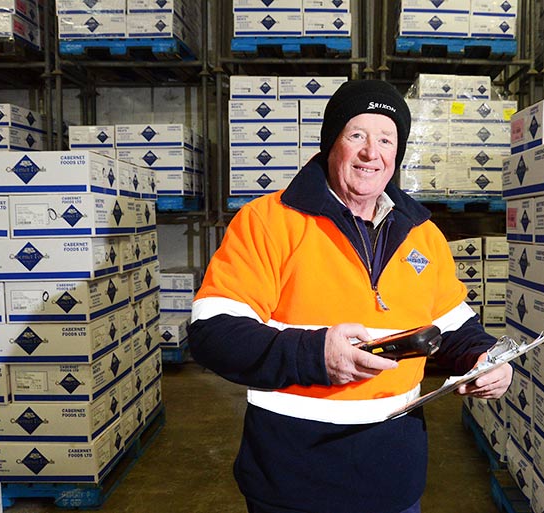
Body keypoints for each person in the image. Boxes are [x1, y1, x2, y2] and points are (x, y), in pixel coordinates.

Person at [189, 79, 513, 513]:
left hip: (394, 480)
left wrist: (485, 358)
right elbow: (213, 333)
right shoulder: (267, 222)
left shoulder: (424, 235)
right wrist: (315, 354)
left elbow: (454, 326)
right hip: (293, 480)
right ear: (331, 143)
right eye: (356, 135)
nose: (370, 153)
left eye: (386, 139)